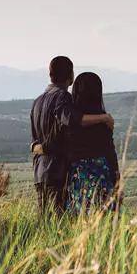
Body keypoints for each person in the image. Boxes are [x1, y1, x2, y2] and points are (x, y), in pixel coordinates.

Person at [30, 56, 114, 215]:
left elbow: (34, 143)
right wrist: (104, 118)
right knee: (61, 225)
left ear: (50, 74)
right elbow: (71, 119)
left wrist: (38, 148)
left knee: (46, 225)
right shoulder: (63, 97)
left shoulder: (37, 102)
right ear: (71, 75)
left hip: (40, 173)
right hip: (58, 172)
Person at [64, 72, 121, 214]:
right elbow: (110, 152)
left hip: (78, 180)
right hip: (102, 177)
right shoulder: (104, 122)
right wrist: (117, 181)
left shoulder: (70, 121)